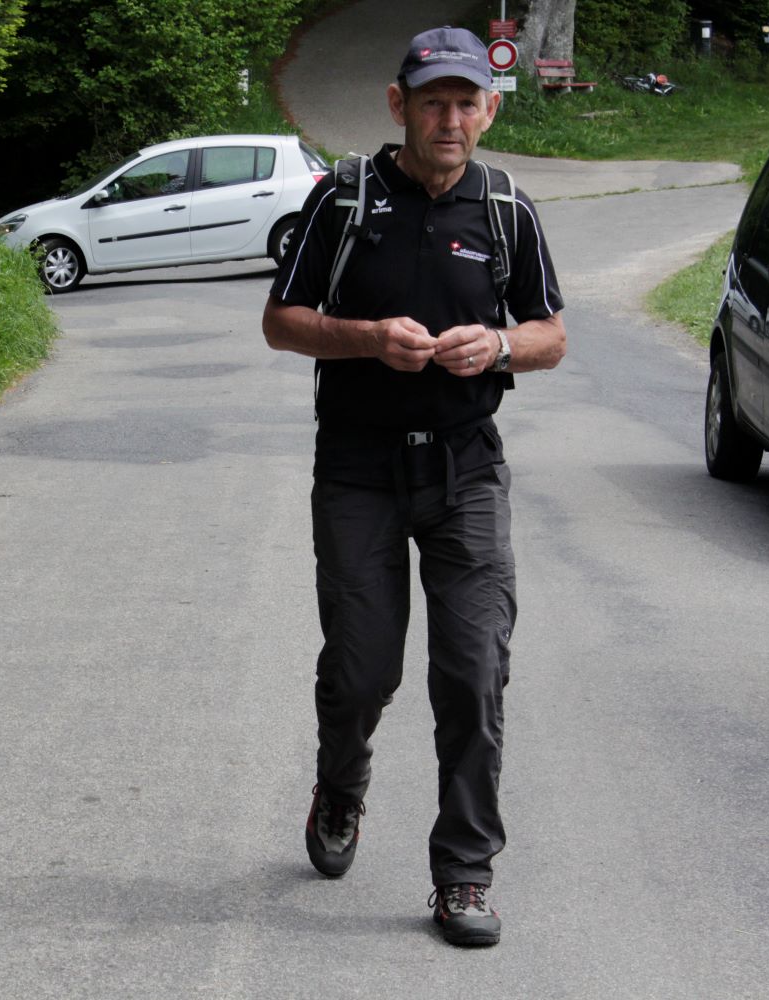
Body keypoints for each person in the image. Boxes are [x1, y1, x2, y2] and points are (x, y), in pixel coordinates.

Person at [261, 25, 566, 946]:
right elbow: (281, 321)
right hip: (358, 465)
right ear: (400, 106)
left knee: (473, 672)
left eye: (467, 103)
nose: (450, 120)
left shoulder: (506, 210)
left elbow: (550, 332)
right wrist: (366, 338)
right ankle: (341, 785)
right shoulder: (344, 198)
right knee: (363, 669)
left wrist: (500, 345)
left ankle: (464, 874)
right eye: (434, 102)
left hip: (466, 467)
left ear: (489, 110)